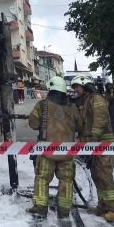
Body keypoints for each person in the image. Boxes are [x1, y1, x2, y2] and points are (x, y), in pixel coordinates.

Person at [26, 75, 84, 219]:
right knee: (66, 181)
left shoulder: (42, 105)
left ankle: (40, 208)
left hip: (47, 152)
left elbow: (33, 124)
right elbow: (80, 126)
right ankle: (64, 211)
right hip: (67, 153)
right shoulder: (73, 107)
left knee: (42, 179)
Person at [72, 75, 114, 223]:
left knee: (105, 175)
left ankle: (113, 210)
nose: (75, 91)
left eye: (77, 87)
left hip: (101, 143)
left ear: (84, 85)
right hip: (92, 144)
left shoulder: (96, 99)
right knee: (97, 175)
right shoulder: (86, 100)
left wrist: (92, 140)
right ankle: (102, 205)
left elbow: (101, 120)